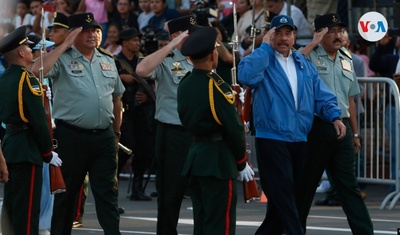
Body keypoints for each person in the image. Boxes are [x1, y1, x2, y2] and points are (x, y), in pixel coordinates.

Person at [238, 15, 345, 235]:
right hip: (272, 137)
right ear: (270, 35)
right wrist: (265, 48)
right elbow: (247, 77)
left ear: (295, 36)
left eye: (288, 33)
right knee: (284, 194)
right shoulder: (261, 59)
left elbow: (320, 94)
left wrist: (335, 116)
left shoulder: (302, 63)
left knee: (286, 198)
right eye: (278, 33)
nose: (283, 38)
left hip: (299, 137)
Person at [31, 12, 125, 235]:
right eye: (85, 30)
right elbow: (35, 71)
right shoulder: (61, 58)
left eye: (95, 30)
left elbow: (116, 97)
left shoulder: (107, 59)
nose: (92, 34)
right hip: (72, 136)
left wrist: (116, 132)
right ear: (74, 33)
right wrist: (64, 45)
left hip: (104, 137)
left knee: (108, 195)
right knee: (67, 195)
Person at [297, 13, 374, 234]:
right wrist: (313, 43)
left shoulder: (346, 58)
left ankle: (364, 231)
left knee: (349, 186)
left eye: (340, 31)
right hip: (316, 127)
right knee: (306, 185)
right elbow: (294, 63)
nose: (337, 35)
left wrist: (356, 133)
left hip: (343, 129)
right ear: (319, 34)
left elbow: (350, 98)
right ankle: (295, 229)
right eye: (330, 31)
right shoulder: (309, 55)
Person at [178, 26, 254, 234]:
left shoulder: (185, 84)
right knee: (221, 223)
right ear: (213, 55)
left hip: (196, 157)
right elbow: (233, 128)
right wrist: (241, 162)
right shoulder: (217, 86)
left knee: (202, 221)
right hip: (218, 161)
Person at [135, 15, 199, 234]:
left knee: (202, 192)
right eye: (190, 34)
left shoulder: (202, 57)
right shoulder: (165, 58)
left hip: (199, 135)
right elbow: (142, 71)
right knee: (170, 194)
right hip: (173, 134)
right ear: (176, 36)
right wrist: (171, 45)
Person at [0, 25, 62, 235]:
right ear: (20, 52)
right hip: (28, 149)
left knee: (12, 206)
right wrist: (47, 152)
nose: (30, 51)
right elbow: (38, 121)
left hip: (11, 145)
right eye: (27, 48)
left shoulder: (4, 79)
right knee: (27, 212)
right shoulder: (28, 79)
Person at [114, 28, 155, 201]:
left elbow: (152, 82)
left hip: (141, 111)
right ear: (124, 42)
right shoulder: (116, 61)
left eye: (138, 40)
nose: (137, 43)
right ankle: (112, 182)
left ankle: (137, 189)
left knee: (143, 149)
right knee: (126, 148)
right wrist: (122, 77)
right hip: (125, 110)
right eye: (133, 40)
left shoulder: (144, 60)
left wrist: (146, 95)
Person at [369, 30, 400, 193]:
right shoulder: (392, 57)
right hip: (394, 107)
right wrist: (381, 46)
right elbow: (374, 65)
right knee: (396, 147)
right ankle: (396, 186)